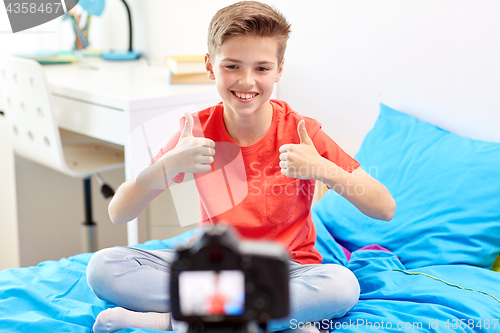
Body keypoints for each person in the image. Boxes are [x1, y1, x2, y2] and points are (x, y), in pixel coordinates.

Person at [86, 1, 396, 332]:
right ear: (210, 66)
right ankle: (276, 318)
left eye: (262, 68)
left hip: (286, 269)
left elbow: (385, 207)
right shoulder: (195, 131)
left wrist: (323, 170)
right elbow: (119, 212)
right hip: (210, 267)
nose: (247, 81)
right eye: (232, 66)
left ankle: (178, 317)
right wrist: (168, 165)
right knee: (103, 267)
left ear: (279, 70)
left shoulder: (302, 132)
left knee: (342, 285)